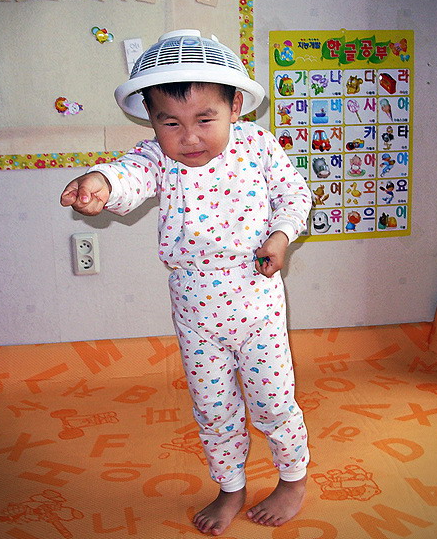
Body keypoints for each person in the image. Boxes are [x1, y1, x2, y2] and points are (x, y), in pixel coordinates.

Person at [60, 30, 311, 536]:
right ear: (151, 118)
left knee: (273, 400)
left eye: (204, 120)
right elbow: (128, 175)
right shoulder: (157, 157)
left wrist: (282, 236)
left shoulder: (258, 146)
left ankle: (292, 478)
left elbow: (294, 196)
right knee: (213, 407)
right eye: (170, 122)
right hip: (195, 307)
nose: (189, 138)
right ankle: (230, 486)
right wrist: (100, 183)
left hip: (256, 299)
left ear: (234, 106)